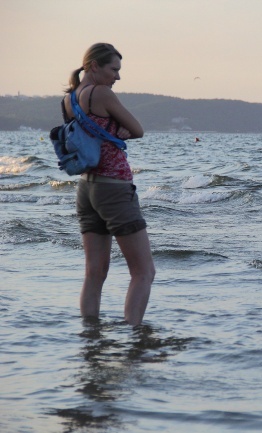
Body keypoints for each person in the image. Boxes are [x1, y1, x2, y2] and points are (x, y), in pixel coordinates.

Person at [63, 43, 155, 326]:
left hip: (86, 188)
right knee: (143, 271)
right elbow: (138, 130)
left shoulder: (70, 98)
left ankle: (90, 338)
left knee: (94, 272)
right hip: (113, 187)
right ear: (93, 66)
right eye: (113, 69)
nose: (117, 77)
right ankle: (134, 336)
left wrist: (111, 132)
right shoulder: (102, 93)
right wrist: (120, 133)